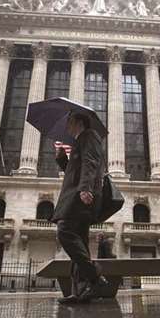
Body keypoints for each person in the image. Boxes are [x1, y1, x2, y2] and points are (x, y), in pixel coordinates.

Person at [52, 113, 107, 304]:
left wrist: (85, 188)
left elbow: (90, 163)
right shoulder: (79, 141)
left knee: (65, 231)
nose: (67, 125)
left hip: (80, 196)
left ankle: (95, 278)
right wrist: (62, 159)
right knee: (80, 242)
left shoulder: (89, 136)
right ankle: (81, 291)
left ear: (79, 122)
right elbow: (74, 170)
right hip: (78, 193)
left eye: (69, 121)